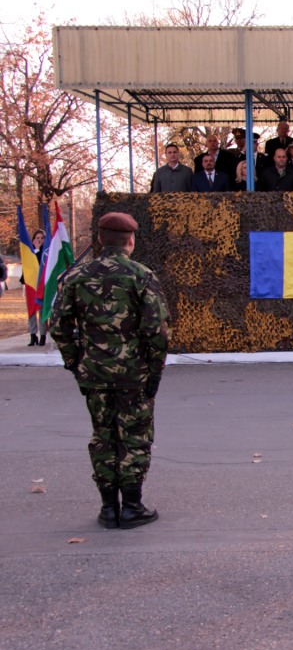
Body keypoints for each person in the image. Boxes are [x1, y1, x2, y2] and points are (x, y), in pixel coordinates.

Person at [50, 212, 169, 529]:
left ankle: (107, 508)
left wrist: (76, 362)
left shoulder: (77, 276)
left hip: (95, 373)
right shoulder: (140, 275)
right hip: (133, 375)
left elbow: (58, 326)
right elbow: (157, 331)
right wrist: (154, 373)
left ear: (100, 239)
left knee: (103, 438)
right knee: (134, 439)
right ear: (130, 240)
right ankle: (131, 507)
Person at [23, 229, 46, 345]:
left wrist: (37, 249)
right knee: (31, 311)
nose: (39, 240)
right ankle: (33, 335)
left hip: (41, 285)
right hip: (31, 284)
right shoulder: (29, 251)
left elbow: (39, 263)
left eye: (42, 238)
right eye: (37, 238)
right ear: (33, 239)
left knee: (41, 311)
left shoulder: (45, 252)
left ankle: (43, 335)